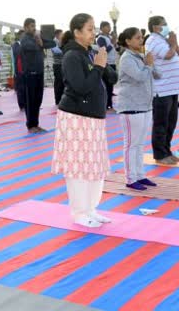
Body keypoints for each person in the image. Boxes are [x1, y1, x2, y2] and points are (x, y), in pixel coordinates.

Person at [52, 13, 118, 228]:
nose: (94, 33)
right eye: (90, 29)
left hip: (94, 119)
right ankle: (79, 212)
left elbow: (112, 78)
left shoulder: (88, 53)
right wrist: (97, 67)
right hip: (76, 119)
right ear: (77, 32)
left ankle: (91, 208)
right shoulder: (72, 55)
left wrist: (102, 63)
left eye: (94, 29)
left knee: (94, 165)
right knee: (78, 167)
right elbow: (80, 87)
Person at [116, 28, 160, 190]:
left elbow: (157, 75)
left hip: (145, 106)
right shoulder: (127, 59)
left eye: (141, 38)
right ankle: (130, 178)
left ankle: (140, 175)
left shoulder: (140, 57)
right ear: (128, 41)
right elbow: (140, 77)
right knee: (131, 144)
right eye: (137, 38)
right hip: (131, 107)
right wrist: (147, 65)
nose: (141, 41)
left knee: (140, 144)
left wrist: (151, 64)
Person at [145, 16, 179, 165]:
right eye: (164, 24)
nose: (167, 26)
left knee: (171, 123)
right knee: (161, 123)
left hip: (172, 89)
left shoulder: (164, 40)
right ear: (156, 27)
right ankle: (160, 154)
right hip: (161, 90)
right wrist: (173, 44)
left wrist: (174, 43)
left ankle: (167, 151)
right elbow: (168, 55)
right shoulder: (153, 40)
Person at [20, 18, 53, 133]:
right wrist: (40, 43)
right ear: (25, 28)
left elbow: (52, 43)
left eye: (34, 26)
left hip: (39, 72)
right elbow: (33, 47)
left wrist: (41, 42)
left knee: (38, 99)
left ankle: (36, 124)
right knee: (31, 100)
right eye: (31, 26)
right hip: (30, 74)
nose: (33, 28)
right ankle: (30, 125)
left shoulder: (37, 38)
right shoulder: (24, 39)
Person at [96, 21, 119, 109]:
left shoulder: (110, 37)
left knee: (111, 85)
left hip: (112, 63)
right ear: (102, 28)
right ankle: (106, 105)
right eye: (107, 27)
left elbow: (116, 48)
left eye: (109, 26)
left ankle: (109, 104)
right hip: (106, 64)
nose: (109, 28)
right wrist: (112, 43)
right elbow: (104, 50)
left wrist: (115, 42)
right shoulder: (100, 38)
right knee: (106, 85)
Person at [11, 29, 26, 111]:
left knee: (28, 88)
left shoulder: (28, 44)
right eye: (23, 35)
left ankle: (28, 104)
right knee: (20, 89)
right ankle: (22, 105)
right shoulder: (15, 45)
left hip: (27, 69)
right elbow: (17, 54)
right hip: (19, 70)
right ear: (20, 36)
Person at [51, 28, 65, 105]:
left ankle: (62, 99)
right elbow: (57, 51)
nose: (62, 35)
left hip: (63, 64)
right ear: (57, 34)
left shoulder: (62, 42)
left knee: (63, 83)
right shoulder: (53, 42)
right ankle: (58, 100)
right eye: (61, 34)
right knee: (58, 83)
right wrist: (65, 49)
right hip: (57, 65)